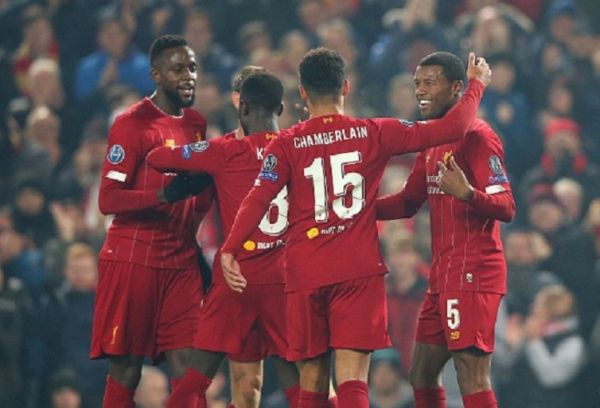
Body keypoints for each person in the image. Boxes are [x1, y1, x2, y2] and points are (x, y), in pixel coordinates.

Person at [220, 47, 491, 407]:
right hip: (357, 272)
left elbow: (258, 198)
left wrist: (230, 249)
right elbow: (454, 127)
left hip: (304, 272)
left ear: (302, 93)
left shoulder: (286, 143)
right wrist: (475, 86)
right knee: (352, 381)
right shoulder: (373, 132)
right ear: (345, 87)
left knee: (311, 381)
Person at [148, 71, 322, 408]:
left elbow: (158, 159)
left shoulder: (225, 151)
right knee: (297, 381)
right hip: (281, 281)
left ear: (242, 109)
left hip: (234, 282)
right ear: (282, 108)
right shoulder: (299, 148)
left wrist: (194, 174)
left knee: (196, 379)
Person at [376, 51, 516, 408]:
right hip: (442, 275)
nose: (420, 92)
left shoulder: (479, 138)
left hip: (474, 271)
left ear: (457, 88)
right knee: (421, 373)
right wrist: (361, 211)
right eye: (417, 84)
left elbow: (507, 206)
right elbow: (409, 200)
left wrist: (468, 194)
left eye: (430, 83)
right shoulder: (433, 140)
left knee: (471, 372)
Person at [90, 34, 213, 408]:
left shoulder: (196, 124)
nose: (188, 76)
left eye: (192, 67)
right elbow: (108, 200)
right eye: (178, 69)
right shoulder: (131, 125)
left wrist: (195, 247)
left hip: (180, 264)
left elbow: (198, 191)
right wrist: (163, 196)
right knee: (127, 370)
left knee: (188, 368)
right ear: (156, 75)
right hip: (132, 260)